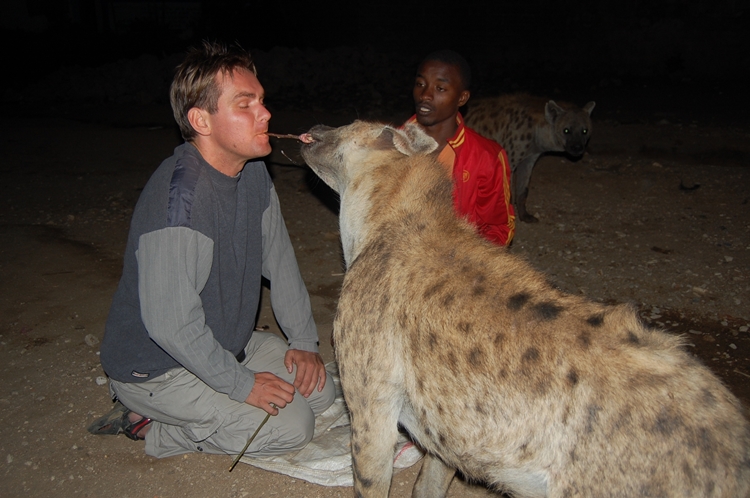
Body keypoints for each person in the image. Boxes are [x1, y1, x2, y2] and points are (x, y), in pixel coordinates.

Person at [87, 41, 335, 460]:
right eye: (245, 104)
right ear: (201, 120)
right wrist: (242, 384)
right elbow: (170, 326)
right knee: (293, 427)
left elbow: (280, 263)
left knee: (320, 391)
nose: (265, 113)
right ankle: (151, 426)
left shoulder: (253, 172)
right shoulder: (180, 202)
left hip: (223, 343)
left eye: (261, 101)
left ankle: (211, 396)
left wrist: (304, 341)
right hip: (159, 367)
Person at [407, 50, 515, 246]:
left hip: (457, 257)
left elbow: (498, 227)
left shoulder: (486, 157)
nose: (425, 95)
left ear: (462, 98)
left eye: (440, 88)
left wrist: (468, 260)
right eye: (420, 84)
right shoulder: (391, 146)